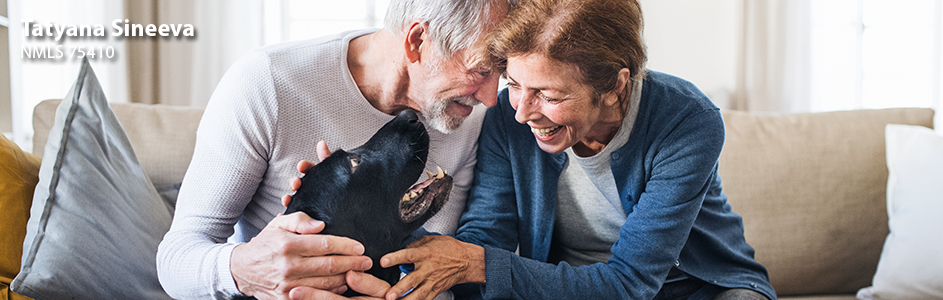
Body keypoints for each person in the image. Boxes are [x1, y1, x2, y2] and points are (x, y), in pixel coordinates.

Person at [372, 0, 779, 299]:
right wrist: (378, 229)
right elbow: (484, 238)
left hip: (700, 289)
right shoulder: (506, 117)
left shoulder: (687, 121)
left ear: (615, 86)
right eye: (513, 83)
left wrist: (478, 264)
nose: (522, 113)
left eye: (548, 95)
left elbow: (631, 283)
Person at [155, 0, 516, 299]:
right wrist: (244, 268)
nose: (490, 97)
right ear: (417, 40)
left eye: (501, 73)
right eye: (481, 70)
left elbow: (457, 258)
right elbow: (175, 261)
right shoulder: (268, 82)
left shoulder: (468, 113)